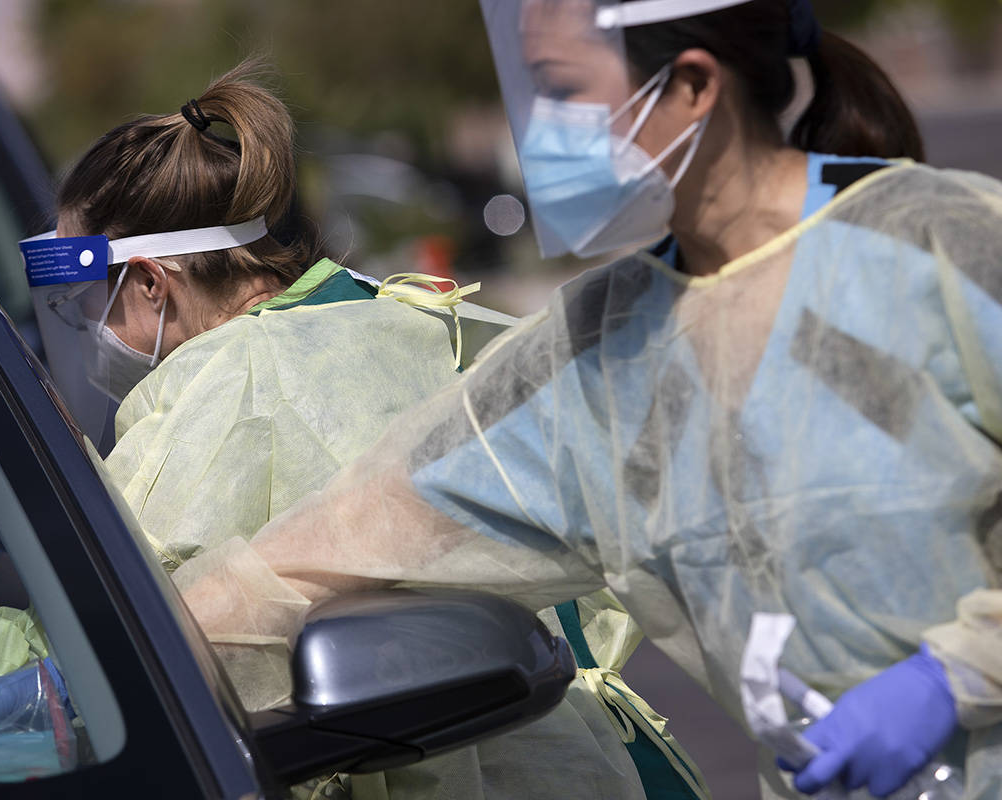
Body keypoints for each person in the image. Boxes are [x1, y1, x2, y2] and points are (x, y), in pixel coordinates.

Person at [169, 3, 1002, 799]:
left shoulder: (943, 249)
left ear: (692, 86)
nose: (540, 129)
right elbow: (325, 551)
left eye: (562, 90)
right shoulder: (601, 353)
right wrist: (103, 677)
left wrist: (954, 676)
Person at [0, 62, 698, 800]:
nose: (83, 328)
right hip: (601, 759)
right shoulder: (392, 315)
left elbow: (120, 661)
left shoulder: (230, 384)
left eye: (88, 300)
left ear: (153, 284)